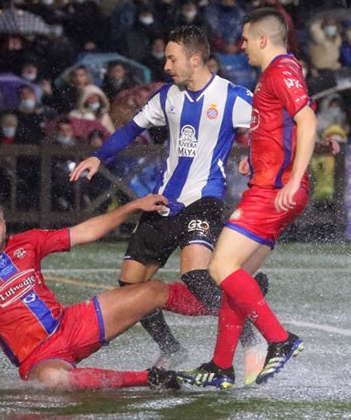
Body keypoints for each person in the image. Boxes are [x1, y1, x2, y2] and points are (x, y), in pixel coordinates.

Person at [70, 25, 266, 370]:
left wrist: (255, 153)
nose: (166, 66)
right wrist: (99, 156)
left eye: (172, 58)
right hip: (164, 201)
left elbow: (269, 126)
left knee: (195, 275)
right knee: (130, 284)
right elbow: (132, 129)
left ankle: (252, 338)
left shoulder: (232, 95)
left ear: (195, 58)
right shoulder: (166, 96)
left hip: (204, 198)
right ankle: (173, 350)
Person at [0, 196, 185, 391]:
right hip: (40, 356)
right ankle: (149, 378)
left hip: (72, 324)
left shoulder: (27, 242)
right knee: (55, 381)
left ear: (4, 225)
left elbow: (85, 232)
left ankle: (223, 305)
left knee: (154, 291)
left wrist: (132, 207)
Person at [176, 8, 324, 389]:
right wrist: (258, 162)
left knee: (220, 267)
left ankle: (281, 340)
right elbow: (285, 129)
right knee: (237, 279)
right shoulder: (273, 75)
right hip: (271, 185)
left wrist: (289, 181)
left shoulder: (281, 70)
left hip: (274, 192)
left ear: (262, 39)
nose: (240, 46)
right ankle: (221, 366)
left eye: (245, 39)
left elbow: (306, 120)